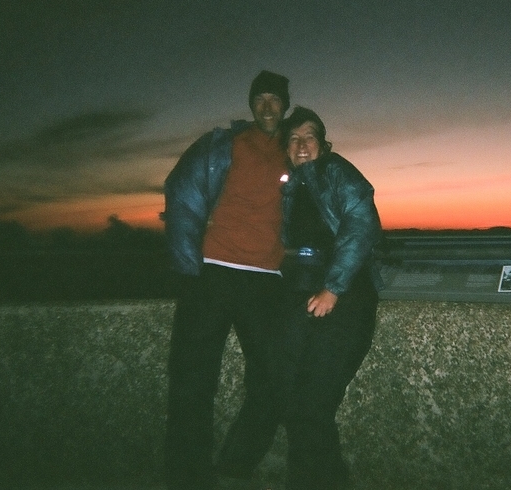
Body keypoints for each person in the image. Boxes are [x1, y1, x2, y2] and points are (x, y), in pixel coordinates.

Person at [163, 70, 291, 490]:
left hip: (267, 281)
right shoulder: (223, 144)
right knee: (192, 381)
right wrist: (188, 267)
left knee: (274, 377)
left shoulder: (296, 151)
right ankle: (188, 476)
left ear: (285, 105)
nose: (268, 107)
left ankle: (236, 463)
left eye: (276, 99)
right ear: (252, 105)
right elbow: (181, 191)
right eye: (261, 99)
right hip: (213, 273)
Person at [277, 106, 382, 490]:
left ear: (322, 144)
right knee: (292, 401)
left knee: (313, 406)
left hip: (345, 296)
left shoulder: (336, 171)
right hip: (303, 295)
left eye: (309, 137)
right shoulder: (290, 186)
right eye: (293, 138)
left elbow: (361, 223)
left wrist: (334, 288)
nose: (301, 144)